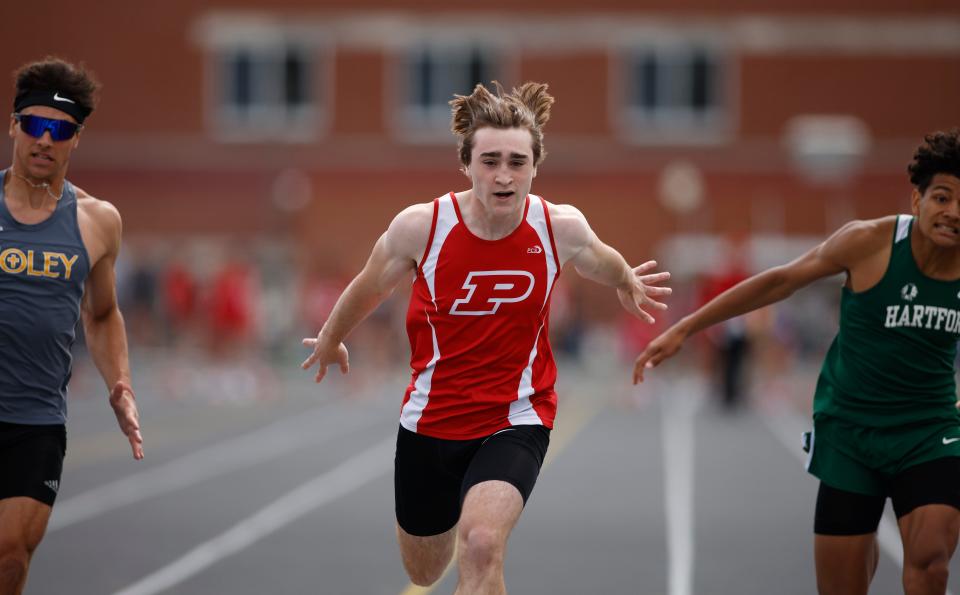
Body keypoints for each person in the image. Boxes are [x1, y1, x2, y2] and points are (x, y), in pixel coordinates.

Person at [301, 81, 670, 594]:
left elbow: (600, 259)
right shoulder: (421, 227)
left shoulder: (557, 227)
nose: (503, 175)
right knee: (424, 570)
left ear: (535, 167)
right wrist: (331, 337)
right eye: (490, 160)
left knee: (481, 544)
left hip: (516, 414)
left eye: (517, 162)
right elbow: (370, 287)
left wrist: (627, 278)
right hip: (431, 420)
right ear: (466, 165)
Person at [634, 129, 960, 595]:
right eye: (943, 198)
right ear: (917, 199)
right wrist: (686, 327)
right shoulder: (868, 242)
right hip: (852, 433)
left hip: (930, 431)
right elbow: (781, 282)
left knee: (930, 562)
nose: (953, 213)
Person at [0, 57, 143, 595]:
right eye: (33, 125)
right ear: (14, 125)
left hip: (36, 418)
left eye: (59, 131)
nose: (44, 140)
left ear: (75, 139)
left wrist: (120, 385)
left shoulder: (96, 221)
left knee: (11, 559)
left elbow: (102, 314)